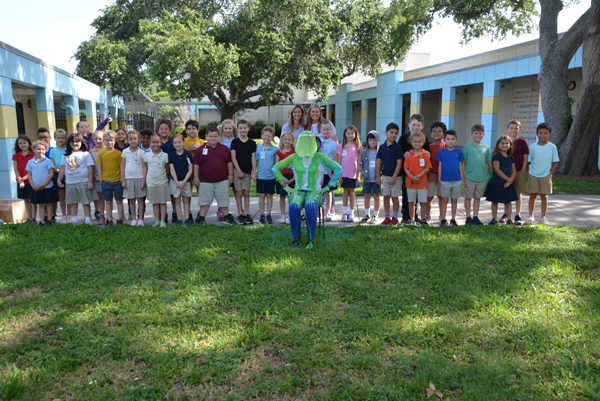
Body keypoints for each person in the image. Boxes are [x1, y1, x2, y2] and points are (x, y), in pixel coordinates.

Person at [273, 131, 343, 249]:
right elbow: (275, 168)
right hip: (298, 191)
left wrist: (327, 187)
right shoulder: (294, 157)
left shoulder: (320, 158)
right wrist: (285, 187)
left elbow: (339, 169)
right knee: (294, 205)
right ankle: (296, 238)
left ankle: (311, 239)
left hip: (315, 192)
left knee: (311, 204)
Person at [192, 126, 236, 225]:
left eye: (215, 136)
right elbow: (196, 164)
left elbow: (229, 162)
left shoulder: (224, 149)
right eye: (210, 136)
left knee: (223, 200)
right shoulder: (200, 150)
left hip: (222, 180)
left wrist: (231, 175)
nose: (213, 138)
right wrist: (195, 177)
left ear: (219, 136)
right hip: (205, 181)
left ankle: (226, 216)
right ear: (206, 136)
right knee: (205, 201)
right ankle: (201, 218)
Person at [57, 133, 97, 225]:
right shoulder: (65, 155)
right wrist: (59, 179)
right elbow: (63, 168)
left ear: (81, 143)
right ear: (69, 143)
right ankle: (74, 220)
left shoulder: (85, 154)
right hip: (70, 183)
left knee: (85, 202)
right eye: (72, 141)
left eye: (77, 141)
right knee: (72, 202)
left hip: (83, 182)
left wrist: (90, 182)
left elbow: (90, 168)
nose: (75, 143)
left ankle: (87, 220)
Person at [398, 114, 431, 223]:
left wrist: (428, 154)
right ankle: (405, 216)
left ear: (422, 126)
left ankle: (414, 215)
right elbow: (399, 153)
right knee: (407, 195)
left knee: (417, 197)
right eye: (414, 124)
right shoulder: (403, 138)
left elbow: (427, 153)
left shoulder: (424, 139)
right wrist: (403, 155)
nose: (416, 127)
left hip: (420, 173)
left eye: (418, 125)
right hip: (407, 172)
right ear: (409, 125)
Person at [526, 123, 559, 225]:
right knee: (532, 195)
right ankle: (531, 216)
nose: (543, 135)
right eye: (540, 133)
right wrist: (529, 171)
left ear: (550, 134)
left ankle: (543, 217)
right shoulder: (532, 147)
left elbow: (556, 161)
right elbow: (528, 161)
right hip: (533, 175)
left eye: (546, 133)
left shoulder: (552, 147)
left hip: (546, 175)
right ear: (536, 134)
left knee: (544, 196)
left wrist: (550, 173)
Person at [484, 135, 518, 225]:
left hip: (508, 183)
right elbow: (497, 170)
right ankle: (494, 219)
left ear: (510, 145)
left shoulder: (511, 158)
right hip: (496, 183)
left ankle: (509, 219)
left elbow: (514, 171)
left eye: (507, 143)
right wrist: (508, 179)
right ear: (498, 145)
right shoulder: (496, 156)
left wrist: (510, 181)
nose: (504, 145)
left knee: (508, 201)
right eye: (502, 143)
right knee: (495, 201)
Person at [462, 123, 491, 226]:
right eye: (475, 133)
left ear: (483, 134)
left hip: (481, 177)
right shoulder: (467, 147)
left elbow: (487, 162)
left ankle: (475, 217)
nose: (478, 135)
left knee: (477, 198)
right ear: (471, 134)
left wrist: (486, 174)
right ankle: (468, 217)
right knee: (468, 197)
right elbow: (463, 162)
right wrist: (463, 176)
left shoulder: (486, 148)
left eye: (480, 133)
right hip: (469, 177)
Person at [376, 123, 404, 226]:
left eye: (396, 133)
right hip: (385, 176)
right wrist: (378, 176)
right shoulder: (382, 147)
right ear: (386, 133)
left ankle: (395, 218)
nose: (393, 135)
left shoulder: (398, 147)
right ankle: (387, 217)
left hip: (396, 176)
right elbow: (378, 162)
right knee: (386, 197)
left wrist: (394, 177)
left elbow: (399, 163)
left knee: (394, 197)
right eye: (391, 132)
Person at [231, 119, 257, 224]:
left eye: (244, 128)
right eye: (240, 128)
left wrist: (253, 172)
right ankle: (240, 214)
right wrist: (238, 170)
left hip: (247, 171)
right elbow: (233, 157)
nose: (243, 130)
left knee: (246, 192)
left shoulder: (252, 143)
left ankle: (246, 213)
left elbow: (253, 158)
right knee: (238, 192)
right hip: (237, 171)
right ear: (237, 129)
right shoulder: (235, 142)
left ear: (248, 129)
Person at [436, 130, 464, 227]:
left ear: (456, 140)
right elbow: (440, 165)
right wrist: (439, 178)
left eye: (452, 139)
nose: (450, 141)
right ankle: (443, 219)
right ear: (444, 140)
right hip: (445, 180)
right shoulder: (441, 152)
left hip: (456, 180)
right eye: (448, 139)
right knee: (444, 200)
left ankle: (453, 219)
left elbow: (461, 166)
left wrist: (462, 179)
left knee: (454, 200)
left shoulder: (459, 152)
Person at [404, 132, 432, 226]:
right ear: (411, 142)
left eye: (419, 142)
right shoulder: (408, 155)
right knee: (411, 202)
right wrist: (411, 177)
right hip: (410, 182)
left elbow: (427, 168)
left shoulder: (425, 154)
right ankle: (411, 219)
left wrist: (418, 176)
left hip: (422, 183)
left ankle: (423, 219)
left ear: (423, 142)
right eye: (415, 141)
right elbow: (405, 168)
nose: (417, 143)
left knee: (423, 202)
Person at [335, 125, 362, 222]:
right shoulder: (341, 146)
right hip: (344, 174)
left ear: (355, 134)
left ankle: (351, 212)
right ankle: (345, 212)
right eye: (348, 133)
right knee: (345, 192)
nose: (350, 135)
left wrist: (358, 176)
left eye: (352, 133)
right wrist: (339, 175)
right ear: (345, 134)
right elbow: (338, 161)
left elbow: (359, 163)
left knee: (352, 192)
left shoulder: (358, 147)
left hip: (353, 174)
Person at [120, 130, 147, 226]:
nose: (133, 141)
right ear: (127, 140)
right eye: (131, 139)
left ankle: (140, 219)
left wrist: (144, 180)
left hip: (139, 178)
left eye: (135, 139)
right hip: (128, 179)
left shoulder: (142, 152)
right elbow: (122, 166)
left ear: (138, 140)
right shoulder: (125, 151)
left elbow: (144, 167)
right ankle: (134, 219)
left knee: (140, 200)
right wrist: (123, 179)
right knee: (131, 200)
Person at [97, 130, 124, 226]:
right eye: (107, 140)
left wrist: (121, 179)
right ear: (104, 141)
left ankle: (120, 219)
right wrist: (101, 180)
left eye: (112, 140)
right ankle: (109, 219)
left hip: (117, 181)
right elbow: (100, 167)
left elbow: (121, 167)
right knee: (108, 201)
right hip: (106, 181)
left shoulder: (118, 153)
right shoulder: (101, 153)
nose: (110, 142)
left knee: (119, 201)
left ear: (115, 141)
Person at [143, 133, 170, 227]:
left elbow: (167, 169)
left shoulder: (165, 155)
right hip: (151, 182)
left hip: (162, 181)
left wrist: (164, 178)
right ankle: (157, 220)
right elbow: (146, 168)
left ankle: (163, 221)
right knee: (155, 203)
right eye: (153, 142)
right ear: (150, 143)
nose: (155, 144)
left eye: (157, 142)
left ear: (161, 143)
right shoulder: (146, 156)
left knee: (163, 202)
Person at [505, 119, 529, 225]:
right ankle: (506, 213)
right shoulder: (504, 142)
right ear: (507, 129)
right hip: (506, 171)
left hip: (518, 170)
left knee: (518, 193)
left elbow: (525, 158)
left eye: (516, 128)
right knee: (507, 193)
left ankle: (517, 214)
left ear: (520, 129)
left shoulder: (522, 142)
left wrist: (523, 171)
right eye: (511, 128)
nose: (513, 130)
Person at [26, 141, 55, 226]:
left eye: (43, 149)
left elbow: (51, 174)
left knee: (48, 204)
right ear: (34, 150)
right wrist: (33, 185)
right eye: (38, 149)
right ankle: (42, 221)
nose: (41, 151)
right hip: (36, 188)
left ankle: (49, 220)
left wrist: (44, 184)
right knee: (41, 205)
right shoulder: (30, 162)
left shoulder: (48, 161)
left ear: (45, 150)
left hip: (47, 187)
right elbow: (29, 175)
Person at [168, 133, 194, 227]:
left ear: (183, 142)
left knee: (186, 201)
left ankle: (187, 218)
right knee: (177, 201)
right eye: (175, 142)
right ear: (173, 144)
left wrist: (183, 182)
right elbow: (172, 169)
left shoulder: (188, 155)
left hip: (185, 181)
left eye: (179, 142)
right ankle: (179, 219)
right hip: (175, 182)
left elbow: (190, 169)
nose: (177, 144)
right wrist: (177, 183)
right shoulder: (171, 155)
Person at [255, 126, 279, 224]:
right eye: (265, 135)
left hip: (271, 176)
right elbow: (256, 161)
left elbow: (276, 164)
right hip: (261, 176)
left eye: (269, 136)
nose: (267, 137)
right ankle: (262, 214)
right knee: (261, 195)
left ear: (272, 137)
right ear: (261, 136)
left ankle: (269, 214)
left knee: (269, 195)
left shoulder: (275, 149)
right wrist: (254, 172)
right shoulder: (258, 148)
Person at [156, 118, 176, 223]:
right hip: (159, 172)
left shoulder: (172, 143)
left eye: (166, 129)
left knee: (172, 193)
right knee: (161, 193)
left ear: (169, 130)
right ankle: (162, 214)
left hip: (172, 171)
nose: (164, 131)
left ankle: (175, 212)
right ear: (158, 130)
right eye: (161, 129)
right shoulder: (156, 142)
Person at [425, 122, 446, 223]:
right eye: (434, 131)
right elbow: (425, 162)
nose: (436, 133)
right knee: (429, 196)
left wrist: (440, 176)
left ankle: (442, 216)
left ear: (443, 134)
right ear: (431, 134)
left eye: (439, 131)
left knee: (441, 196)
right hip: (430, 175)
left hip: (442, 176)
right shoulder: (428, 147)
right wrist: (428, 174)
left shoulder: (446, 146)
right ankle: (427, 215)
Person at [359, 130, 381, 224]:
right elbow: (360, 164)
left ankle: (375, 215)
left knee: (376, 196)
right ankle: (367, 215)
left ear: (378, 141)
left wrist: (380, 176)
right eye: (370, 140)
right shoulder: (364, 153)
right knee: (367, 196)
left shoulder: (380, 152)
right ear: (367, 141)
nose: (372, 142)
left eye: (374, 140)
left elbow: (383, 165)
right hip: (367, 179)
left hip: (377, 179)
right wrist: (363, 172)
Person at [36, 127, 58, 222]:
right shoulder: (37, 151)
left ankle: (53, 215)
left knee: (53, 197)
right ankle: (45, 216)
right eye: (41, 137)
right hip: (41, 179)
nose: (44, 139)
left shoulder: (53, 150)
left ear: (50, 138)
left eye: (46, 137)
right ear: (37, 139)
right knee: (43, 199)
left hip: (53, 176)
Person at [318, 121, 338, 219]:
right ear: (320, 130)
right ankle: (318, 211)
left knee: (328, 192)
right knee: (318, 191)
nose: (325, 131)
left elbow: (335, 159)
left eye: (327, 129)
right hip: (319, 172)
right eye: (324, 129)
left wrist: (335, 172)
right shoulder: (318, 142)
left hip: (328, 172)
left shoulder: (334, 144)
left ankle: (328, 212)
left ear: (331, 130)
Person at [12, 135, 35, 223]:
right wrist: (20, 180)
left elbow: (32, 170)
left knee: (32, 200)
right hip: (21, 182)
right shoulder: (16, 156)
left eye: (24, 143)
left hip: (31, 181)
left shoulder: (33, 155)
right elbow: (16, 169)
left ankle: (33, 217)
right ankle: (29, 218)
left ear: (29, 143)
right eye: (20, 143)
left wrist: (24, 178)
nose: (23, 145)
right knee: (26, 200)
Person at [275, 132, 296, 224]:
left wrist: (294, 178)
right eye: (285, 139)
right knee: (282, 196)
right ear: (282, 140)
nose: (287, 141)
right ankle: (283, 215)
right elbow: (276, 167)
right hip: (281, 177)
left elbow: (297, 166)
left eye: (289, 139)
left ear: (292, 141)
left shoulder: (295, 152)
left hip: (292, 176)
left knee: (290, 196)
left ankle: (290, 216)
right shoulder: (279, 152)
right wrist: (282, 178)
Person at [49, 129, 68, 223]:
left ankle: (70, 214)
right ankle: (64, 214)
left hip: (68, 174)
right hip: (58, 174)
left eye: (63, 138)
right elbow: (53, 163)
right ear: (55, 138)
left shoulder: (68, 149)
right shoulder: (52, 151)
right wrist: (57, 170)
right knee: (62, 195)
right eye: (58, 138)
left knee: (69, 195)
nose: (60, 140)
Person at [90, 130, 106, 224]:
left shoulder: (106, 150)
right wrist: (94, 176)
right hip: (95, 177)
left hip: (105, 177)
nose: (98, 141)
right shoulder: (91, 151)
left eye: (100, 139)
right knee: (97, 195)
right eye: (95, 139)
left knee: (103, 196)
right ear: (93, 140)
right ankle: (97, 211)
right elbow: (90, 166)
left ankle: (103, 213)